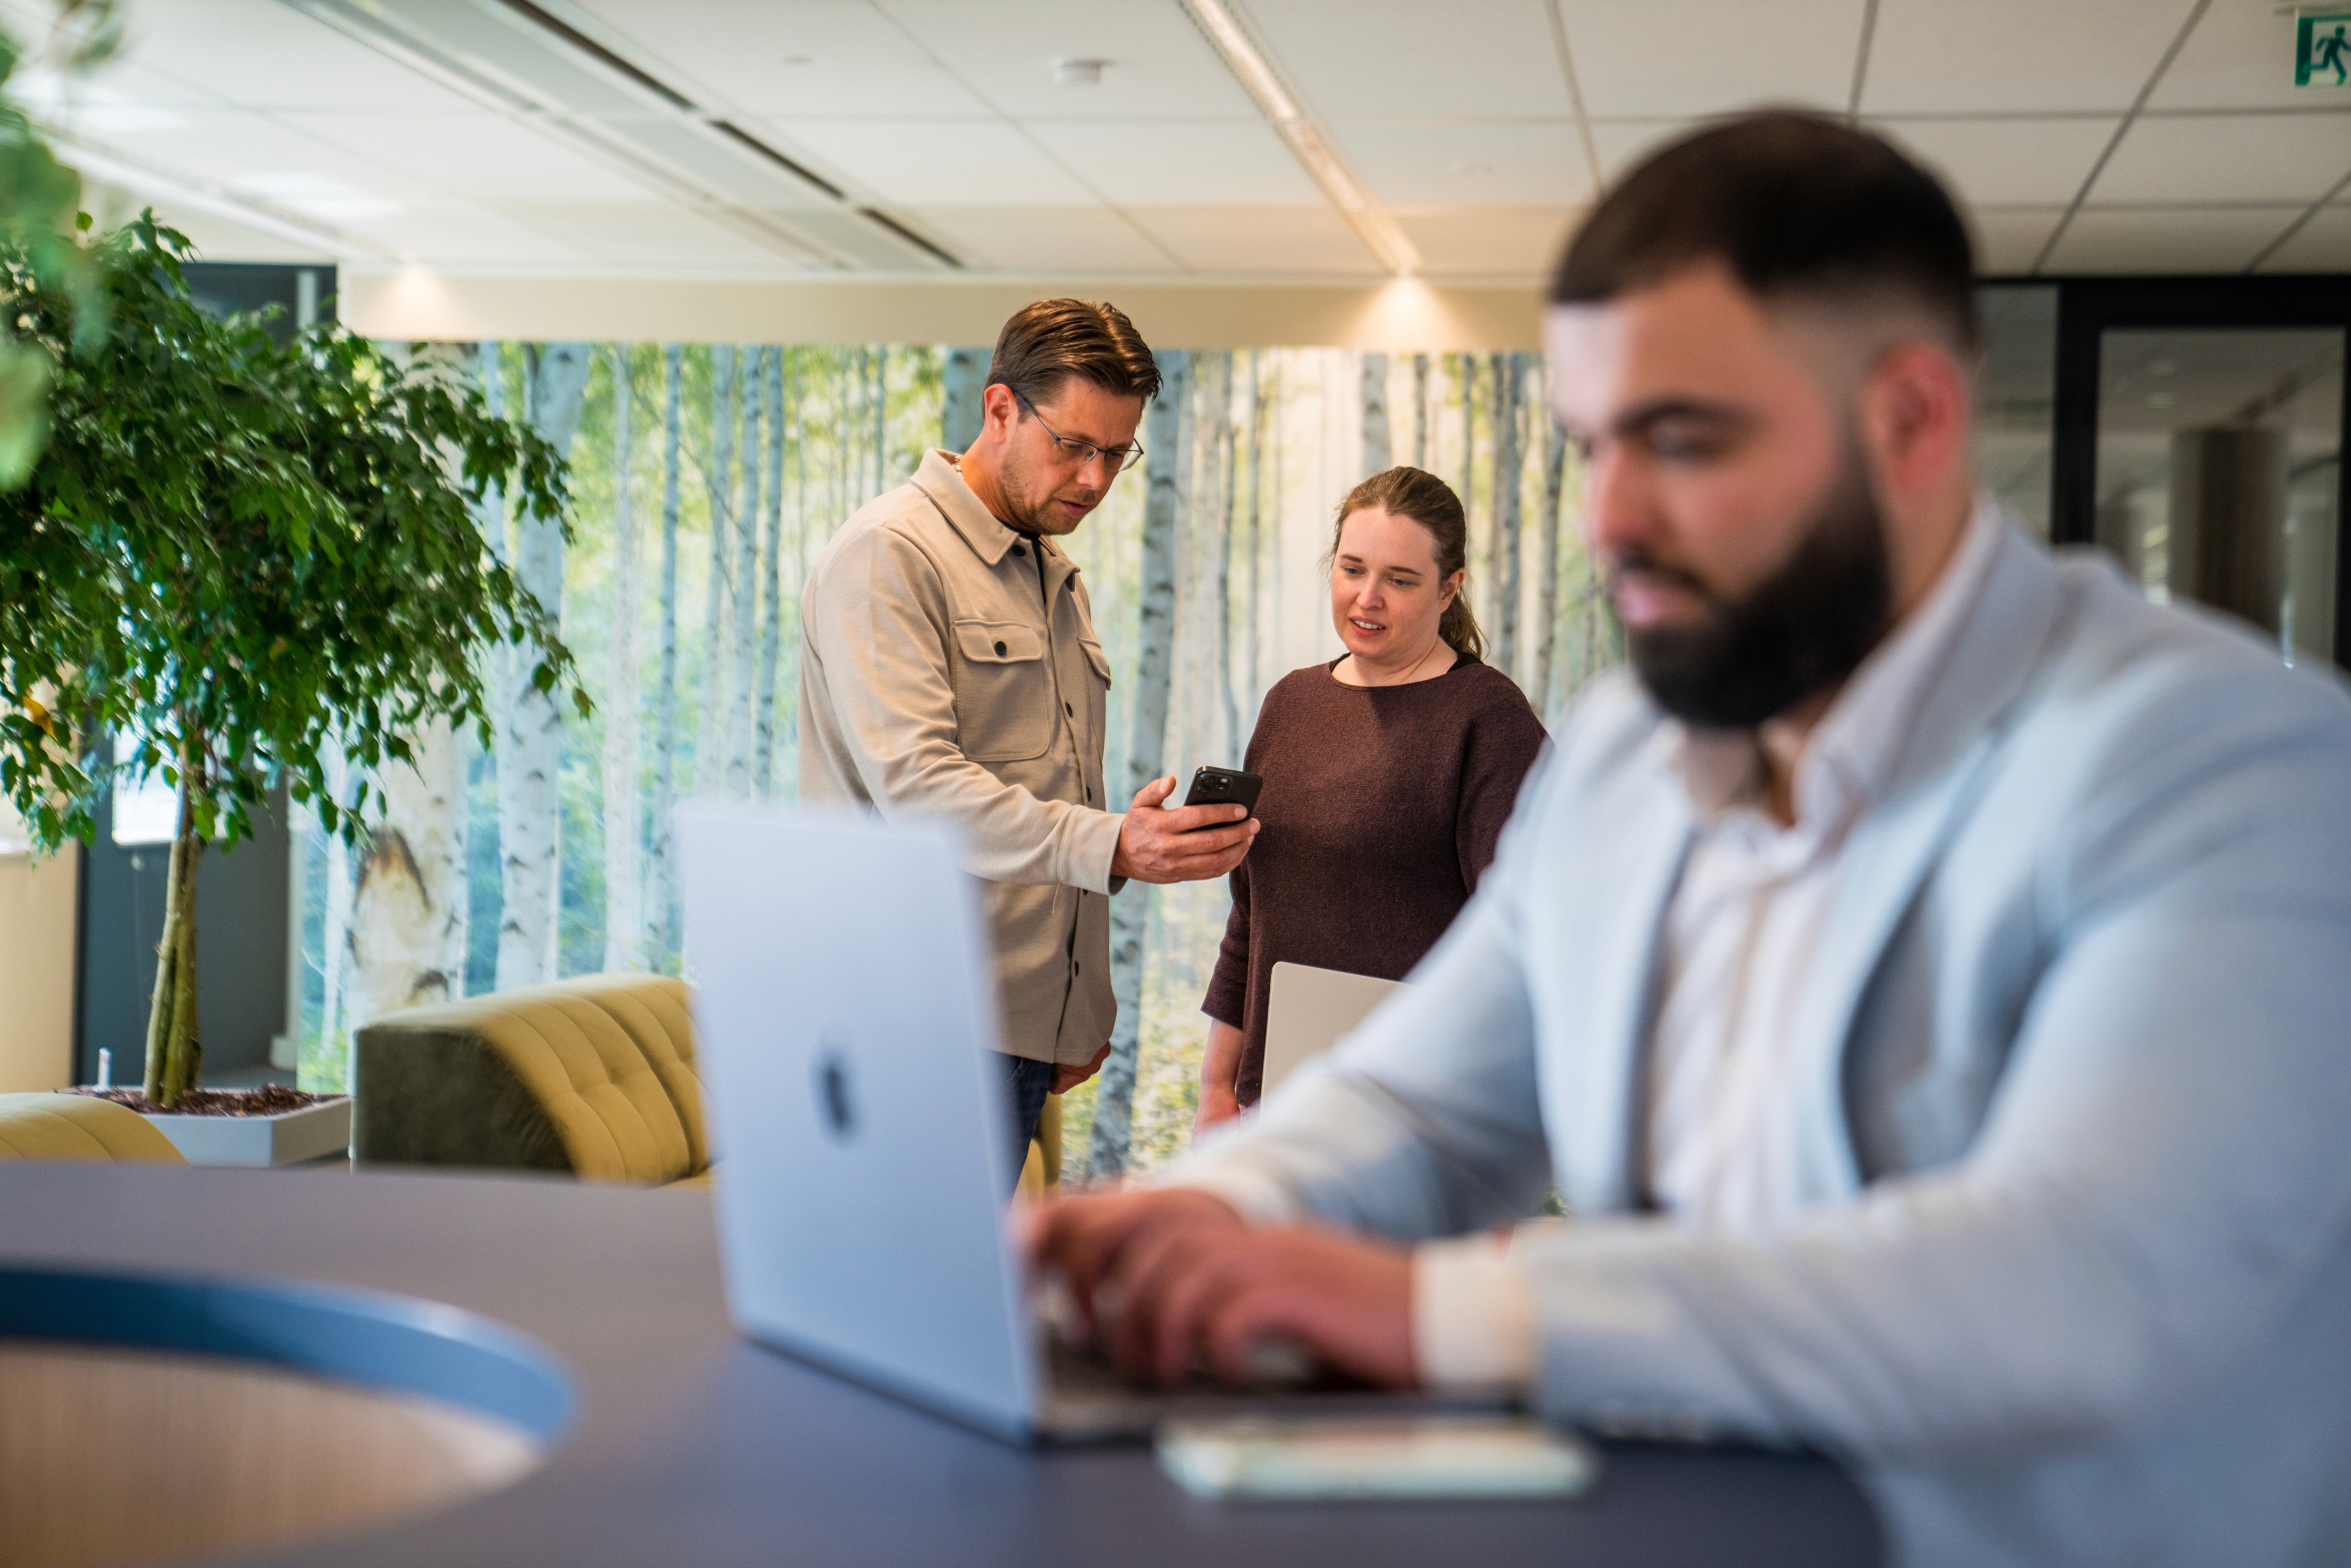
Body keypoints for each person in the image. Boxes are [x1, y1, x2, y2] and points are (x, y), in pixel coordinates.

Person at [1027, 113, 2351, 1568]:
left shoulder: (2234, 766)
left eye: (1680, 441)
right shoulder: (1626, 761)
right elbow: (1421, 1110)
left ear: (1907, 419)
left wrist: (1446, 1314)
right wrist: (1179, 1227)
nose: (1612, 518)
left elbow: (2081, 1277)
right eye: (1594, 447)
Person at [799, 299, 1258, 1181]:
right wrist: (1111, 840)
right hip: (909, 1025)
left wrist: (1073, 1008)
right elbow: (922, 792)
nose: (1093, 480)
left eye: (1116, 454)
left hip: (1007, 1027)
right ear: (999, 408)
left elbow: (1050, 801)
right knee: (921, 1312)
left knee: (959, 1309)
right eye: (1073, 445)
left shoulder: (1049, 566)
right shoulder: (889, 556)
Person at [1195, 467, 1545, 1129]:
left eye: (1400, 580)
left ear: (1450, 589)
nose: (1367, 598)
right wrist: (1218, 1084)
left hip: (1418, 1111)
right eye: (1352, 569)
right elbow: (1251, 916)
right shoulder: (1291, 703)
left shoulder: (1489, 719)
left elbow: (1516, 942)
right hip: (1276, 1102)